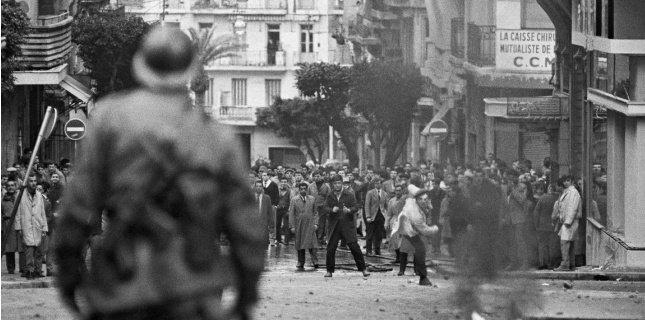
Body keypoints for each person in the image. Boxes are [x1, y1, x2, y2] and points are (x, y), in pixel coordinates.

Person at [55, 26, 266, 320]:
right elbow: (247, 227)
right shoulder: (217, 136)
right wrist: (245, 296)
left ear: (141, 65)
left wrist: (68, 279)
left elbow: (75, 210)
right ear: (190, 69)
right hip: (192, 290)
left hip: (123, 289)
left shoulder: (109, 119)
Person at [323, 175, 370, 278]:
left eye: (339, 183)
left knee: (354, 247)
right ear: (332, 184)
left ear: (342, 183)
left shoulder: (349, 194)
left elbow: (356, 207)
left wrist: (349, 210)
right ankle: (329, 271)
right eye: (335, 183)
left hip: (347, 225)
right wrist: (331, 210)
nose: (337, 185)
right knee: (331, 248)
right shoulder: (330, 195)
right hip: (334, 225)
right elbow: (324, 208)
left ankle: (363, 269)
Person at [392, 184, 439, 285]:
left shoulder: (417, 199)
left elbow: (410, 186)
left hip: (412, 225)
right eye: (421, 199)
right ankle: (422, 277)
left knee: (419, 248)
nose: (423, 201)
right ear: (416, 200)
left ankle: (419, 272)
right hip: (407, 228)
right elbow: (425, 230)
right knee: (420, 247)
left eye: (425, 199)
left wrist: (427, 204)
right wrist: (435, 229)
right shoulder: (415, 214)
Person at [15, 174, 48, 279]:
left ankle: (38, 270)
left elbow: (42, 212)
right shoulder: (21, 195)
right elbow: (17, 212)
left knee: (39, 249)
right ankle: (29, 270)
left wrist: (44, 227)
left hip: (38, 224)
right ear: (26, 183)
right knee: (29, 248)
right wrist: (19, 227)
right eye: (31, 181)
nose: (33, 183)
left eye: (35, 181)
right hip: (27, 224)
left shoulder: (39, 195)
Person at [553, 175, 581, 271]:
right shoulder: (569, 192)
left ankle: (565, 264)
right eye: (564, 181)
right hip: (569, 220)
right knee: (570, 242)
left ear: (572, 181)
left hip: (570, 221)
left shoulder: (573, 192)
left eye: (568, 181)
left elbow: (572, 207)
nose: (566, 183)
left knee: (564, 242)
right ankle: (571, 264)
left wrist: (568, 221)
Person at [289, 182, 319, 270]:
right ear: (298, 190)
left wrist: (316, 223)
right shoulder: (294, 200)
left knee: (312, 243)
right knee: (300, 243)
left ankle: (315, 260)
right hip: (299, 225)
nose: (303, 191)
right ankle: (300, 261)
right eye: (301, 189)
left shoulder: (312, 199)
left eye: (304, 189)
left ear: (307, 189)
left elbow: (316, 212)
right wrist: (292, 226)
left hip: (310, 224)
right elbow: (291, 214)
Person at [1, 178, 26, 275]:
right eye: (9, 186)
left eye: (12, 185)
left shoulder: (20, 197)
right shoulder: (3, 200)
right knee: (9, 247)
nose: (11, 187)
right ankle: (11, 269)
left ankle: (23, 267)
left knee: (22, 246)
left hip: (19, 221)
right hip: (8, 223)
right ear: (6, 187)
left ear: (16, 186)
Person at [533, 183, 559, 270]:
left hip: (542, 225)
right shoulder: (558, 198)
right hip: (553, 225)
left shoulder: (542, 198)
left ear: (548, 189)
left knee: (542, 245)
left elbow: (536, 212)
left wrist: (536, 224)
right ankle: (551, 263)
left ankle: (542, 262)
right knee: (552, 245)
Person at [364, 177, 387, 255]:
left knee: (379, 234)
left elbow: (385, 205)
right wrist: (368, 216)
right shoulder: (370, 193)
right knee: (370, 233)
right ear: (374, 184)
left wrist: (386, 216)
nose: (377, 184)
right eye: (376, 183)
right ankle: (369, 250)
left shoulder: (384, 193)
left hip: (381, 216)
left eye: (379, 183)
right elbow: (367, 205)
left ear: (381, 184)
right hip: (372, 215)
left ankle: (377, 250)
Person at [384, 184, 404, 263]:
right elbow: (389, 214)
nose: (398, 192)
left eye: (399, 190)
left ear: (402, 191)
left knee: (402, 240)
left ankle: (404, 258)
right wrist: (386, 222)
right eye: (396, 190)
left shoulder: (405, 200)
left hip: (403, 220)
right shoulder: (391, 201)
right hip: (394, 221)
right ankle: (398, 257)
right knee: (395, 240)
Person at [275, 177, 292, 245]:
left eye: (285, 182)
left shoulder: (290, 191)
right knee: (277, 224)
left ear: (287, 183)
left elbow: (291, 201)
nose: (284, 183)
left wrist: (289, 209)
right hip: (278, 209)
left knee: (286, 225)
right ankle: (278, 239)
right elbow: (275, 199)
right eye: (282, 182)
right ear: (280, 182)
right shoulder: (278, 190)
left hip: (286, 209)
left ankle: (286, 240)